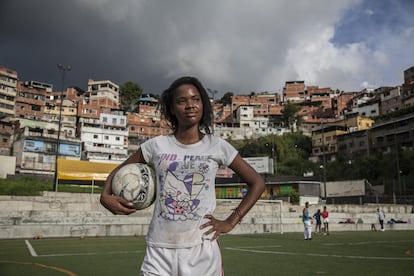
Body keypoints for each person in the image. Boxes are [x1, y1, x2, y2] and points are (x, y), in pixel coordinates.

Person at [100, 76, 265, 276]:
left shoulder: (217, 146)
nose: (190, 105)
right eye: (182, 101)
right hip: (159, 250)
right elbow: (118, 171)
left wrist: (231, 221)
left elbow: (257, 182)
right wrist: (105, 196)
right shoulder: (156, 145)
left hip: (201, 249)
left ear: (203, 103)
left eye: (196, 99)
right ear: (171, 108)